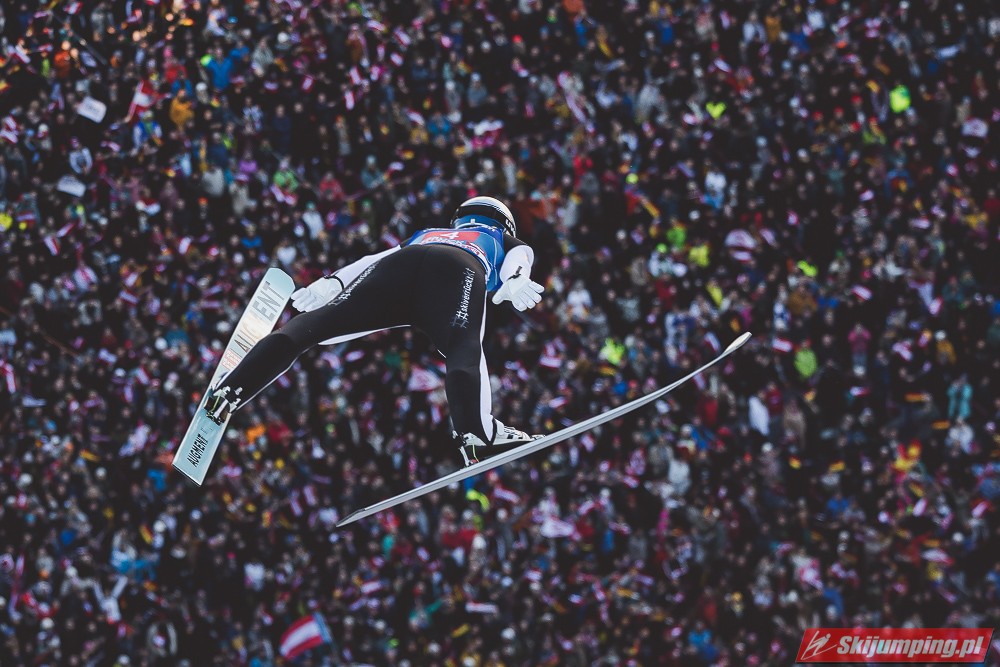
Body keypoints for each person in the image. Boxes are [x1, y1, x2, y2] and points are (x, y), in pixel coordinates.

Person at [205, 196, 545, 466]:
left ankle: (232, 388)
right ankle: (476, 434)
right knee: (463, 348)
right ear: (504, 223)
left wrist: (333, 283)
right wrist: (516, 279)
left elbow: (376, 259)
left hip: (400, 265)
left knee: (319, 326)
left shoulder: (429, 232)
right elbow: (521, 257)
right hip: (459, 268)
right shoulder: (499, 237)